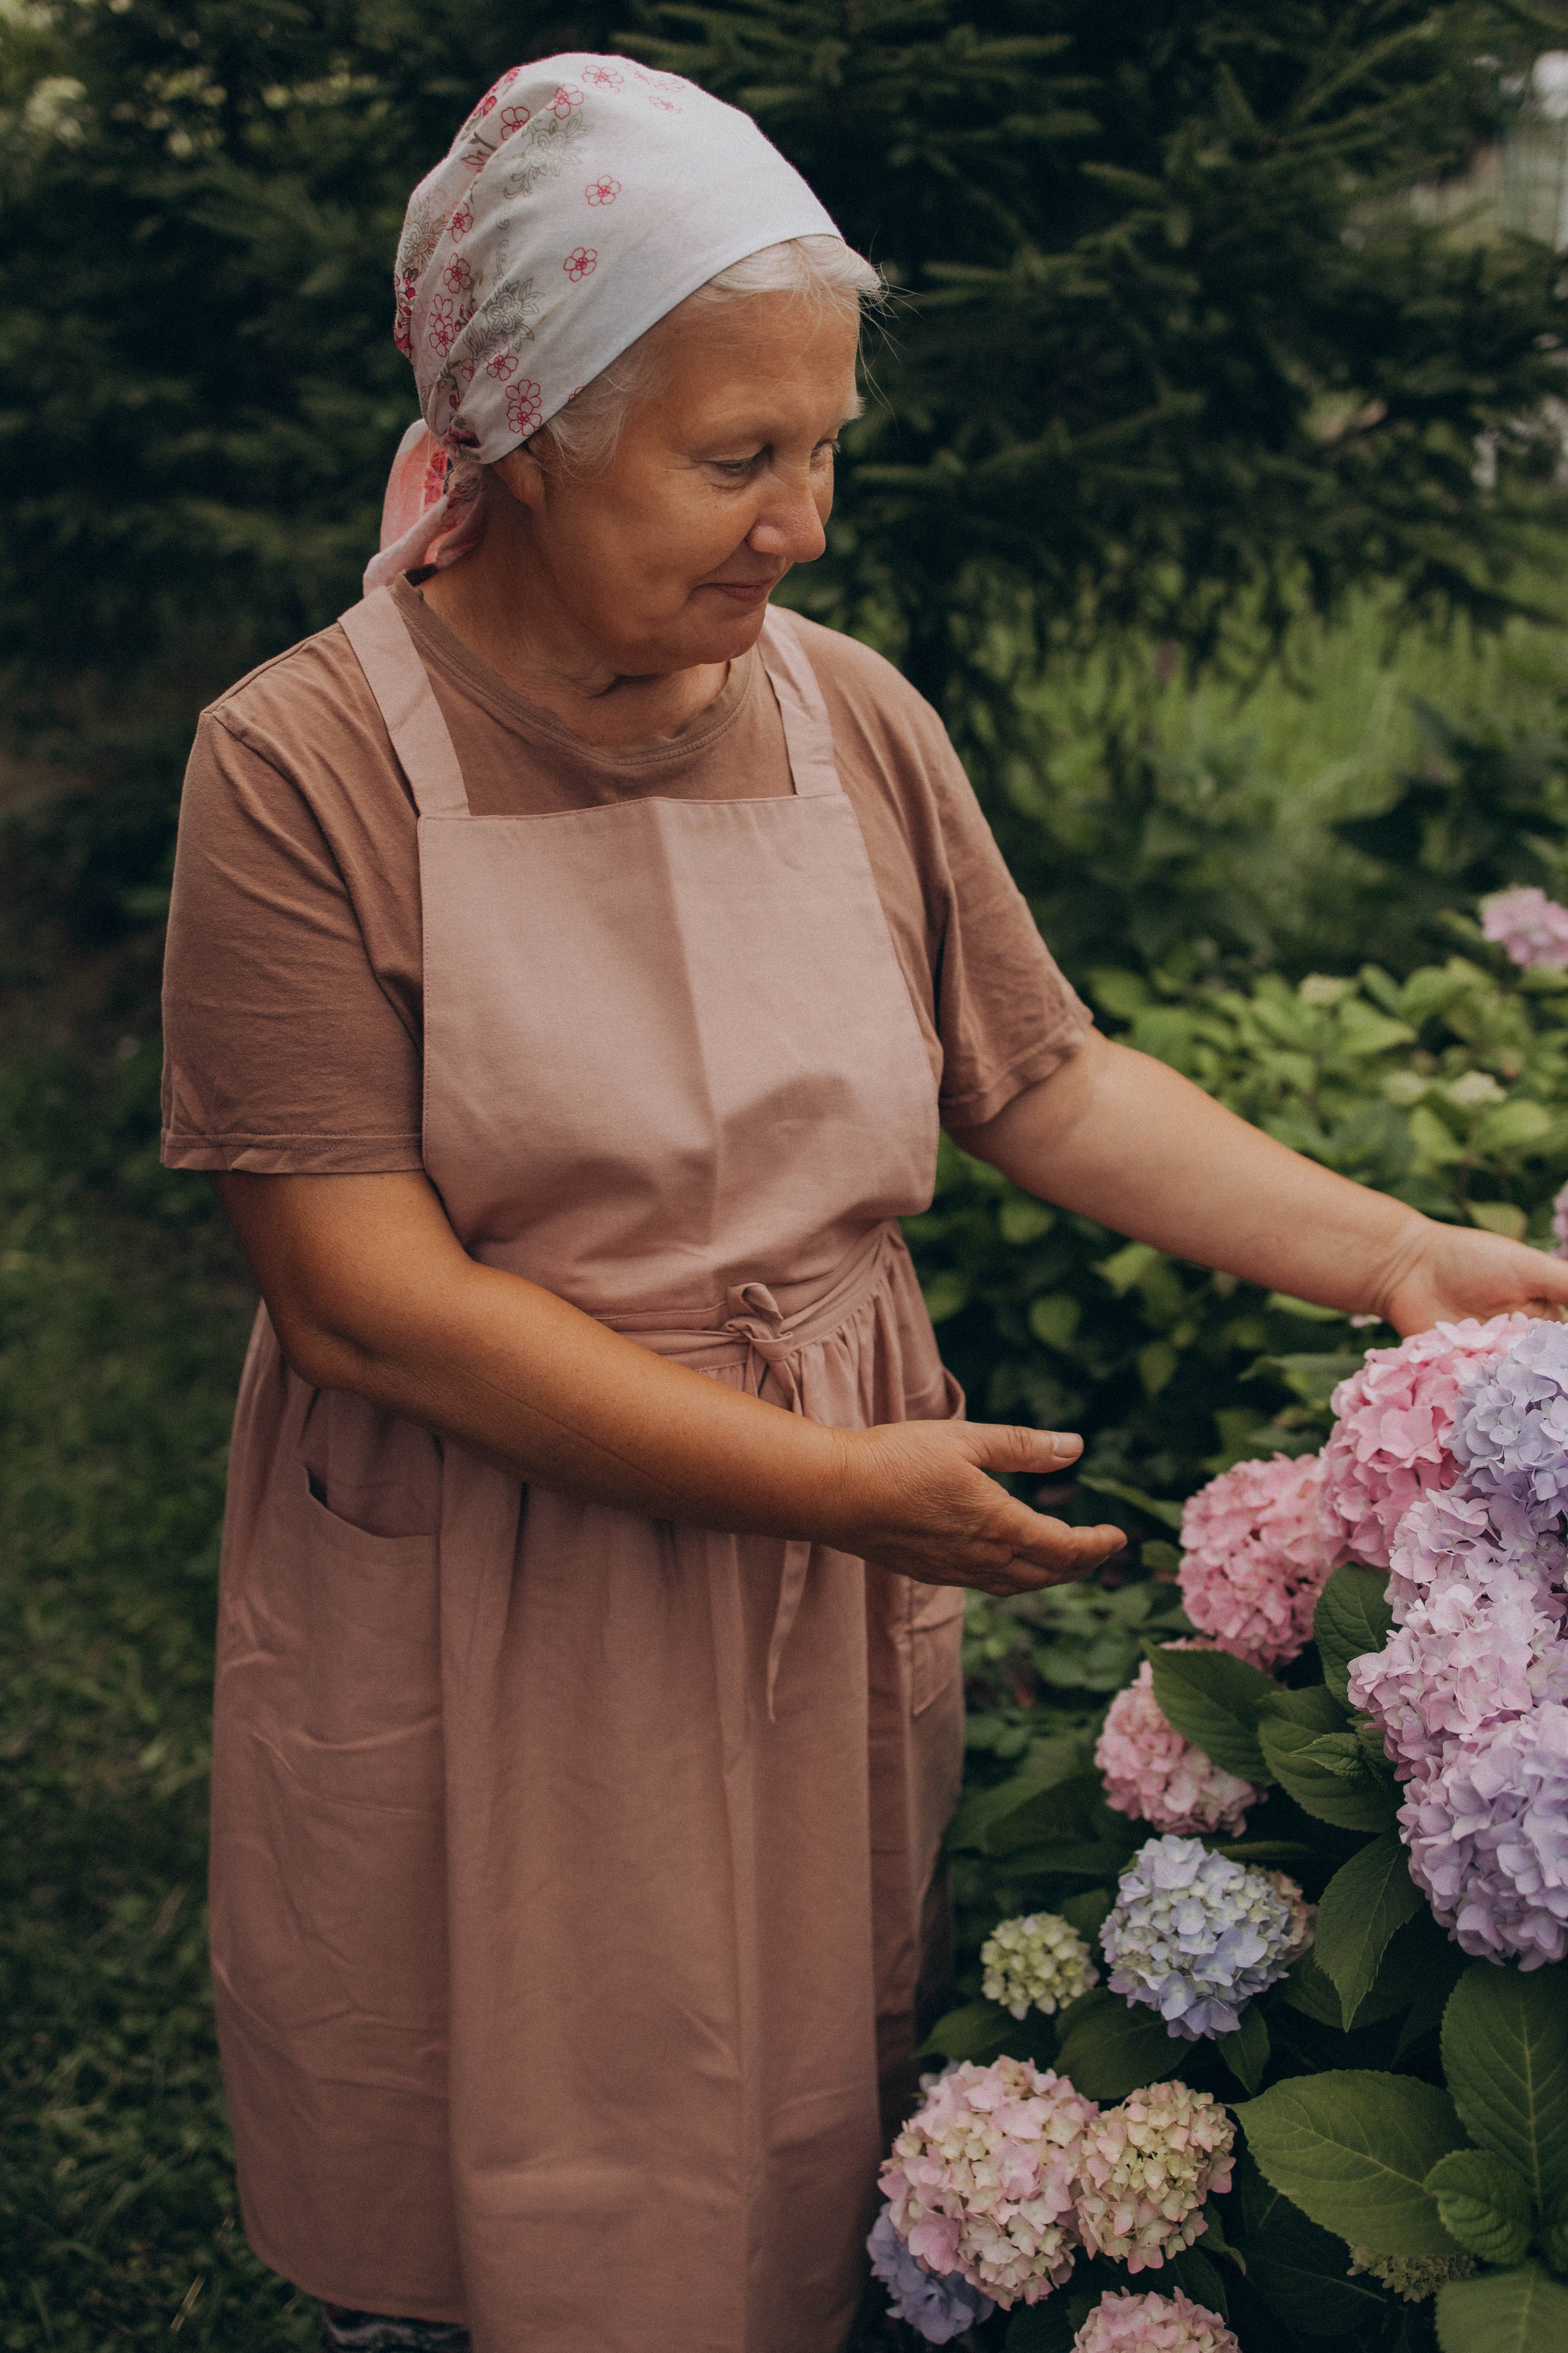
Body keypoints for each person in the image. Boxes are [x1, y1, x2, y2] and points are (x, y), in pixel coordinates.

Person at [159, 51, 1568, 2353]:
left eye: (823, 448)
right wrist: (830, 1481)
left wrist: (1395, 1251)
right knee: (484, 2075)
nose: (799, 520)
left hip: (820, 1536)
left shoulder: (844, 713)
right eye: (735, 458)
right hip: (493, 1549)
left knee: (782, 2075)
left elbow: (1041, 1074)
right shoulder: (304, 762)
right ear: (517, 436)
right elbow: (367, 1301)